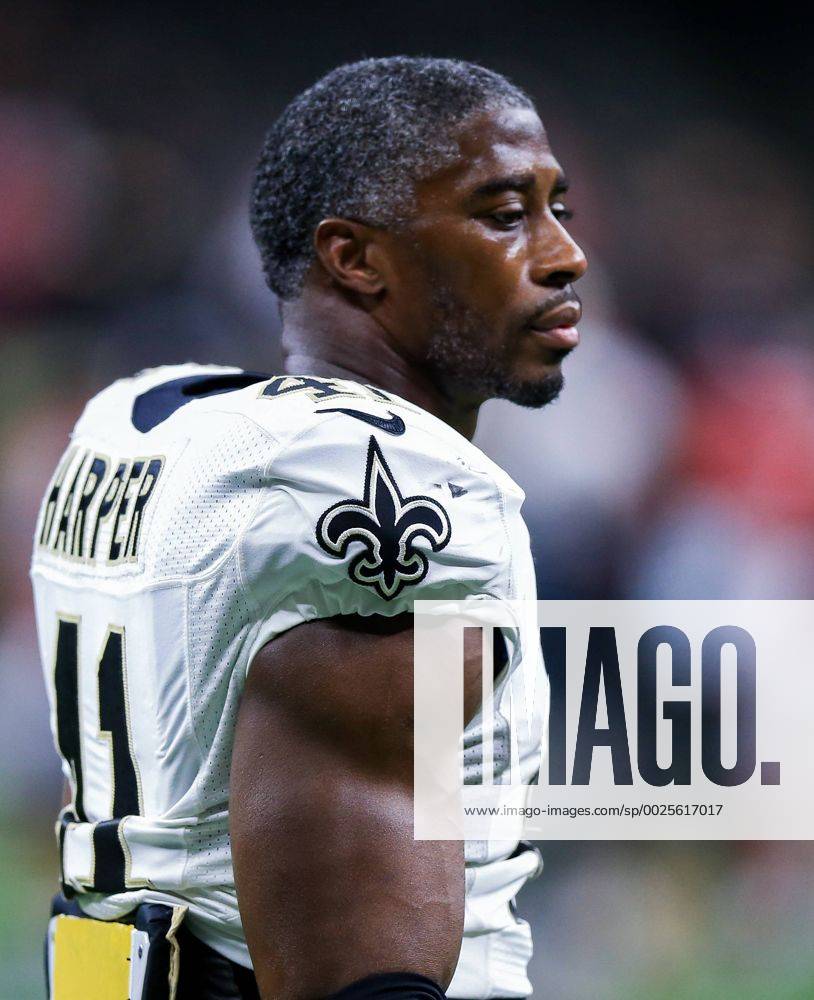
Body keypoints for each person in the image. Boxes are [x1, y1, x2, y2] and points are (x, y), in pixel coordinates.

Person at [31, 56, 586, 1000]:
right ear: (355, 258)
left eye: (555, 207)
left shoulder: (145, 420)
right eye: (503, 214)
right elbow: (357, 975)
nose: (562, 253)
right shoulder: (369, 486)